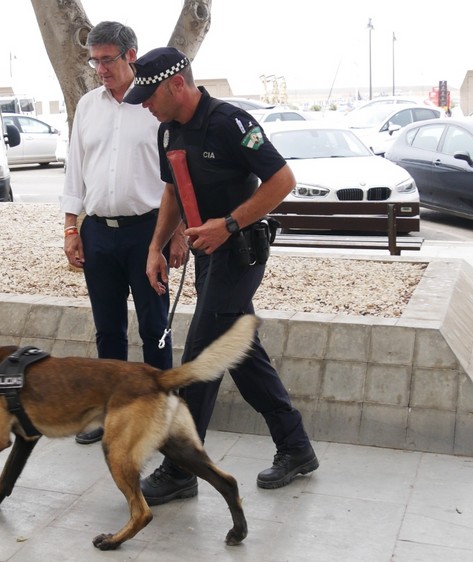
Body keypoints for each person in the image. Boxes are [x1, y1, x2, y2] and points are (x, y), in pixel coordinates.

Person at [123, 47, 319, 502]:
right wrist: (156, 245)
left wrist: (229, 224)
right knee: (241, 353)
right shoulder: (167, 131)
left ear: (177, 84)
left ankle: (180, 469)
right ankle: (296, 447)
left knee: (200, 358)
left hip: (238, 252)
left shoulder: (230, 123)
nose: (145, 105)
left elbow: (282, 181)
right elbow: (172, 190)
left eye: (150, 95)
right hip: (207, 254)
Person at [60, 21, 187, 445]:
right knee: (107, 328)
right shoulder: (88, 107)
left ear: (131, 55)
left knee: (154, 326)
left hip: (148, 232)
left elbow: (178, 174)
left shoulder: (154, 105)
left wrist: (179, 231)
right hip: (99, 232)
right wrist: (70, 228)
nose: (100, 68)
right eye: (94, 60)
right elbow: (74, 170)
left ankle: (157, 410)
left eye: (107, 59)